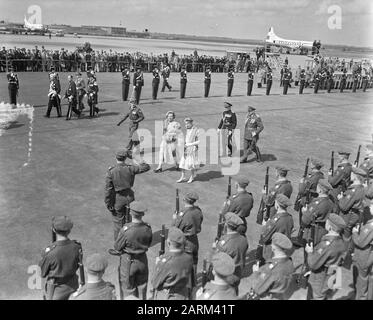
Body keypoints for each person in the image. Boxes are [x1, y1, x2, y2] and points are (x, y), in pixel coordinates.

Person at [104, 149, 150, 241]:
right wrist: (133, 156)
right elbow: (146, 166)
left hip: (118, 199)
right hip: (130, 197)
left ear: (116, 157)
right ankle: (130, 241)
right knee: (130, 221)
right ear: (125, 158)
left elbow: (108, 190)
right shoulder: (130, 168)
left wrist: (108, 204)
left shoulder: (111, 171)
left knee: (118, 223)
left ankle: (119, 246)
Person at [111, 202, 152, 300]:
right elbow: (149, 243)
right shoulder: (147, 228)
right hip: (142, 260)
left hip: (129, 261)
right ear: (142, 214)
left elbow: (117, 247)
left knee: (128, 289)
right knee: (142, 287)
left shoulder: (126, 230)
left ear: (131, 213)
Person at [39, 216, 83, 300]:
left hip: (56, 290)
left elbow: (43, 273)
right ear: (69, 230)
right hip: (73, 284)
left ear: (53, 230)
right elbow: (78, 264)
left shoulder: (50, 252)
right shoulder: (77, 246)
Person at [306, 214, 347, 300]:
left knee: (316, 296)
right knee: (324, 293)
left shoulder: (326, 244)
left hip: (321, 276)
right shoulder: (341, 242)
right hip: (331, 273)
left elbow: (313, 263)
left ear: (330, 227)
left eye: (327, 222)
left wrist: (310, 252)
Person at [151, 227, 194, 300]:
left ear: (168, 243)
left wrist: (157, 264)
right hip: (183, 295)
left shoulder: (165, 262)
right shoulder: (189, 258)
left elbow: (155, 283)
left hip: (167, 296)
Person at [248, 233, 294, 300]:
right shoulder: (290, 263)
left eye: (272, 244)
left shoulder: (270, 269)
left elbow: (257, 289)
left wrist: (256, 273)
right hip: (280, 296)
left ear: (274, 248)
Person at [172, 191, 203, 280]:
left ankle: (186, 283)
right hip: (194, 239)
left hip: (185, 242)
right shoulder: (198, 210)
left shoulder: (183, 214)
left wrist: (174, 219)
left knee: (183, 264)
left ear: (185, 200)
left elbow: (175, 229)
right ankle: (193, 281)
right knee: (194, 262)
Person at [214, 212, 248, 291]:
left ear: (226, 224)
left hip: (226, 275)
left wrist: (216, 245)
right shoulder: (244, 239)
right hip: (237, 273)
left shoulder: (224, 243)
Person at [351, 188, 373, 300]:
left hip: (366, 254)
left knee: (362, 280)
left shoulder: (370, 226)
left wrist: (355, 233)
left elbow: (360, 242)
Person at [260, 194, 294, 262]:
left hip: (272, 250)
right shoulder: (290, 217)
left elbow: (264, 237)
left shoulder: (275, 220)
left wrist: (264, 226)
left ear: (277, 205)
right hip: (283, 248)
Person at [301, 180, 336, 247]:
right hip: (324, 231)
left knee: (309, 253)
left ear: (320, 190)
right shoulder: (330, 202)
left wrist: (304, 212)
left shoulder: (317, 204)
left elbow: (305, 220)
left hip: (313, 233)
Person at [338, 167, 366, 240]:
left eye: (352, 173)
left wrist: (340, 199)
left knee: (345, 237)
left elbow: (344, 207)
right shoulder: (363, 188)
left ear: (355, 176)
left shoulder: (353, 191)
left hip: (348, 216)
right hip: (357, 216)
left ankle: (346, 250)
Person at [177, 118, 200, 183]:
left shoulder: (196, 130)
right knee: (182, 164)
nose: (186, 125)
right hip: (186, 149)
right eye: (185, 124)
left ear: (191, 123)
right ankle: (183, 176)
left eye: (187, 124)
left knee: (191, 165)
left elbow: (199, 141)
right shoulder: (187, 130)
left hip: (192, 149)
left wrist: (190, 144)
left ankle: (192, 177)